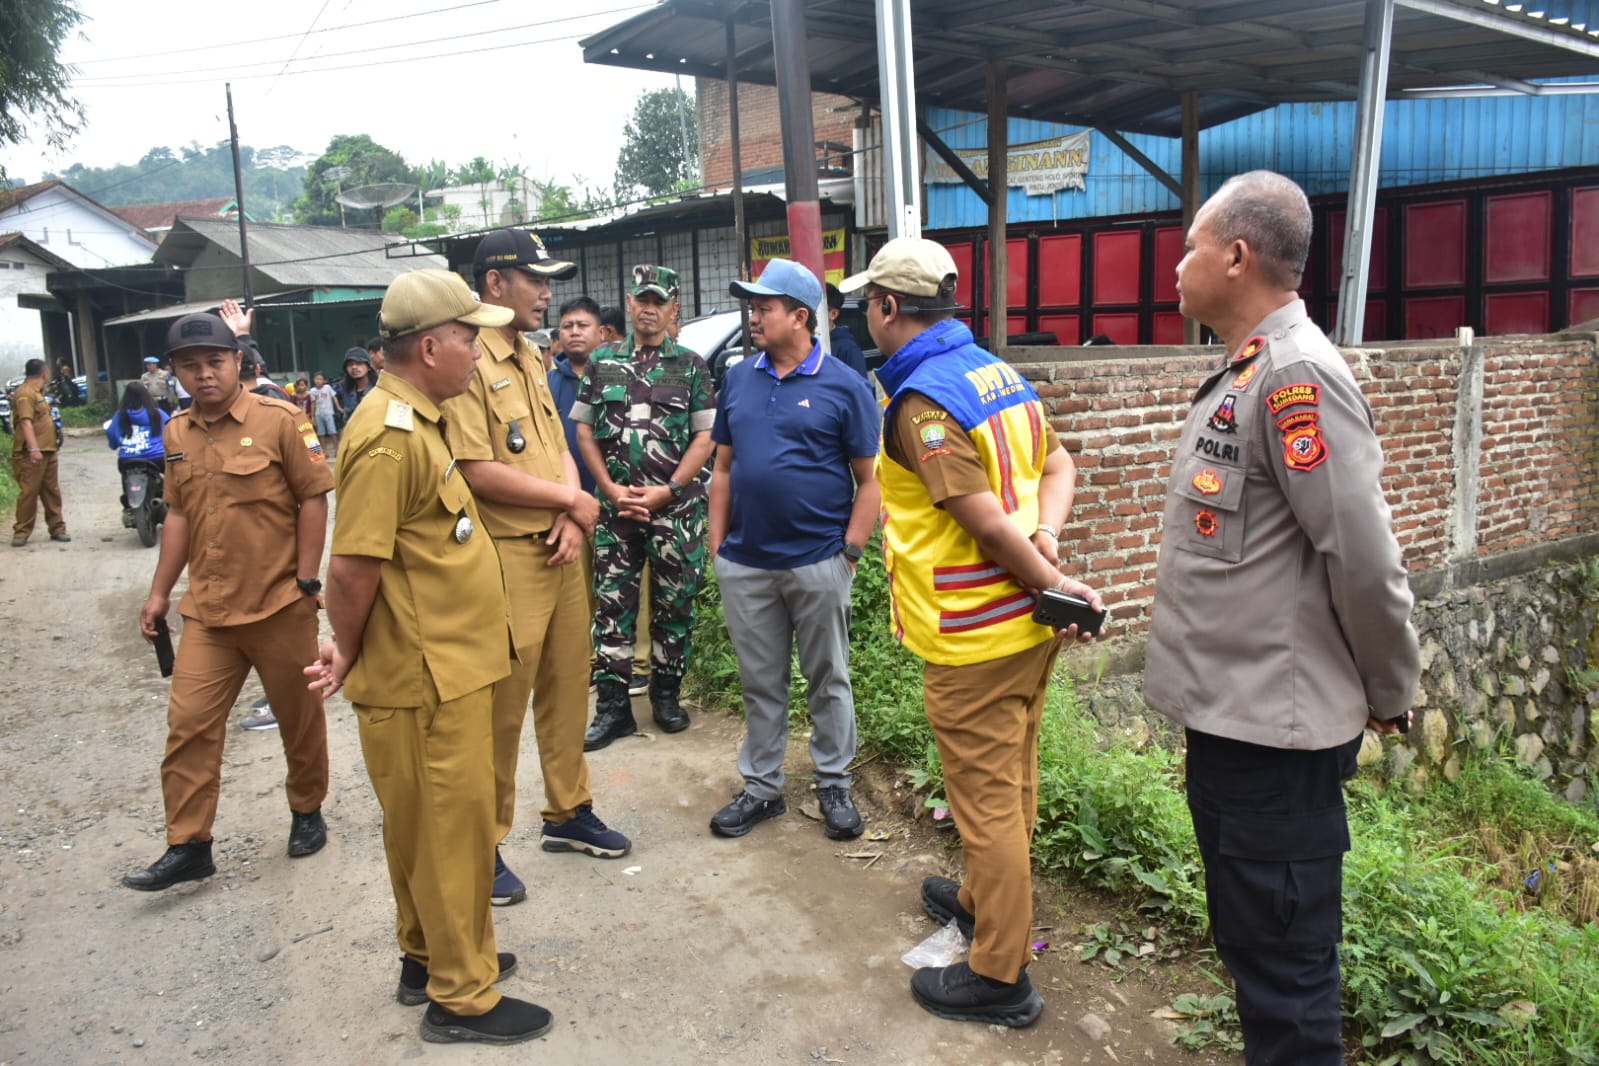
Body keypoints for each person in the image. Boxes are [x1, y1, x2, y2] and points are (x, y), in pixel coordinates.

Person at [1145, 170, 1420, 1065]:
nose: (1176, 264)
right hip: (1234, 723)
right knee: (1255, 954)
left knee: (1287, 976)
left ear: (1235, 256)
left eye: (1189, 245)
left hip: (1277, 742)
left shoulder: (1296, 376)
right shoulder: (1247, 368)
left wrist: (1389, 689)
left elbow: (1363, 557)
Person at [842, 237, 1101, 1028]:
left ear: (888, 308)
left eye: (866, 305)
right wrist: (1050, 551)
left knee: (985, 802)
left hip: (975, 636)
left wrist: (1049, 577)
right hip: (1024, 632)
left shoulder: (923, 401)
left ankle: (999, 974)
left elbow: (983, 524)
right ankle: (981, 900)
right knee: (1010, 781)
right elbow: (1058, 468)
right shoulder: (998, 372)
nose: (863, 317)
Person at [305, 269, 552, 1045]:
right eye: (470, 339)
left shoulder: (423, 418)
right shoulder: (388, 436)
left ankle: (427, 956)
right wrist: (345, 650)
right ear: (430, 345)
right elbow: (351, 567)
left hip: (448, 667)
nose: (480, 355)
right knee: (448, 833)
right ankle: (461, 997)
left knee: (427, 828)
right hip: (423, 677)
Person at [443, 229, 627, 911]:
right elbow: (475, 468)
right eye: (536, 279)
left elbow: (558, 446)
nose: (547, 292)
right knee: (501, 706)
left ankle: (567, 811)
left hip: (559, 547)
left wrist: (574, 512)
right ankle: (481, 843)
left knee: (566, 687)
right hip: (507, 556)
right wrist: (569, 501)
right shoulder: (468, 355)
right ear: (496, 283)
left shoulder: (529, 354)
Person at [123, 311, 333, 891]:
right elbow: (181, 515)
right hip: (209, 613)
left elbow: (313, 499)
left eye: (214, 361)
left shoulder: (282, 420)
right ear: (175, 372)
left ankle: (306, 810)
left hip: (277, 605)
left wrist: (307, 581)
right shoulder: (175, 433)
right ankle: (189, 844)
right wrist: (160, 593)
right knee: (188, 724)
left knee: (299, 720)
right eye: (189, 366)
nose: (204, 374)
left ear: (236, 360)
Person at [708, 259, 881, 840]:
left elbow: (870, 480)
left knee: (828, 676)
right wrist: (719, 550)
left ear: (799, 317)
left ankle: (833, 780)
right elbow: (723, 468)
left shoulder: (844, 386)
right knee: (760, 681)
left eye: (764, 308)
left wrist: (849, 554)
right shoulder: (739, 379)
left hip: (817, 562)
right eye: (752, 307)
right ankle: (762, 788)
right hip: (747, 564)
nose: (752, 317)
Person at [572, 265, 716, 749]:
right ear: (630, 303)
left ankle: (666, 696)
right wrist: (610, 490)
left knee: (674, 604)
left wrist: (669, 490)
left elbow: (706, 436)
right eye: (641, 299)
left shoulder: (692, 366)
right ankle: (612, 709)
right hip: (616, 510)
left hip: (674, 511)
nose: (649, 308)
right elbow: (585, 431)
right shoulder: (602, 362)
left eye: (659, 300)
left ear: (674, 308)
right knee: (612, 605)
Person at [9, 358, 69, 547]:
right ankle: (22, 531)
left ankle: (57, 528)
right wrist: (34, 449)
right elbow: (25, 422)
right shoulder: (25, 394)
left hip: (48, 450)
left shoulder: (39, 393)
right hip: (31, 453)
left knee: (52, 491)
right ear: (44, 373)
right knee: (29, 492)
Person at [823, 283, 870, 379]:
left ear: (833, 314)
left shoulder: (848, 349)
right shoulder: (805, 343)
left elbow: (859, 389)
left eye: (816, 310)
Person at [308, 371, 342, 459]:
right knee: (321, 434)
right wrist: (313, 416)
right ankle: (324, 452)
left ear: (324, 380)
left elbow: (334, 397)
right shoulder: (312, 391)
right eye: (316, 379)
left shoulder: (327, 387)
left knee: (333, 432)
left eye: (320, 379)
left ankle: (337, 450)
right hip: (319, 414)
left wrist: (338, 407)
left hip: (328, 413)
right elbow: (313, 403)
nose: (318, 381)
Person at [340, 347, 377, 415]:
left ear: (369, 367)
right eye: (350, 364)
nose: (354, 367)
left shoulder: (377, 390)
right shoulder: (347, 392)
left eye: (359, 363)